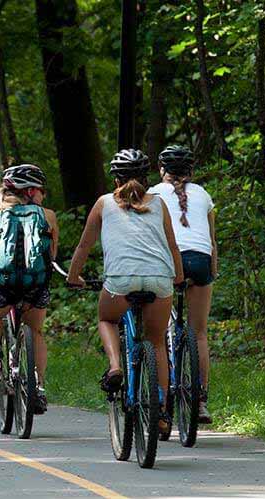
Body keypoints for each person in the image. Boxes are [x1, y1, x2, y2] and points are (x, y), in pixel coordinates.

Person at [66, 149, 183, 434]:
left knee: (107, 319)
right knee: (156, 343)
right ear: (146, 177)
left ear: (115, 178)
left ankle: (116, 366)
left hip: (120, 280)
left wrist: (73, 277)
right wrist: (178, 278)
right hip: (159, 280)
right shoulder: (158, 204)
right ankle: (162, 411)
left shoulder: (104, 203)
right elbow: (173, 246)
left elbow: (84, 246)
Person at [0, 164, 59, 413]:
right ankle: (37, 384)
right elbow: (51, 255)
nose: (43, 195)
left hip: (2, 284)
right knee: (35, 332)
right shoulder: (47, 215)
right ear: (30, 192)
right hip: (35, 286)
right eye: (40, 190)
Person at [148, 145, 217, 424]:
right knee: (199, 333)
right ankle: (200, 401)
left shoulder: (152, 193)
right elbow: (212, 241)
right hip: (200, 260)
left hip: (167, 260)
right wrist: (211, 273)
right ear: (192, 170)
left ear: (161, 170)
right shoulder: (203, 194)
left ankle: (162, 402)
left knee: (157, 337)